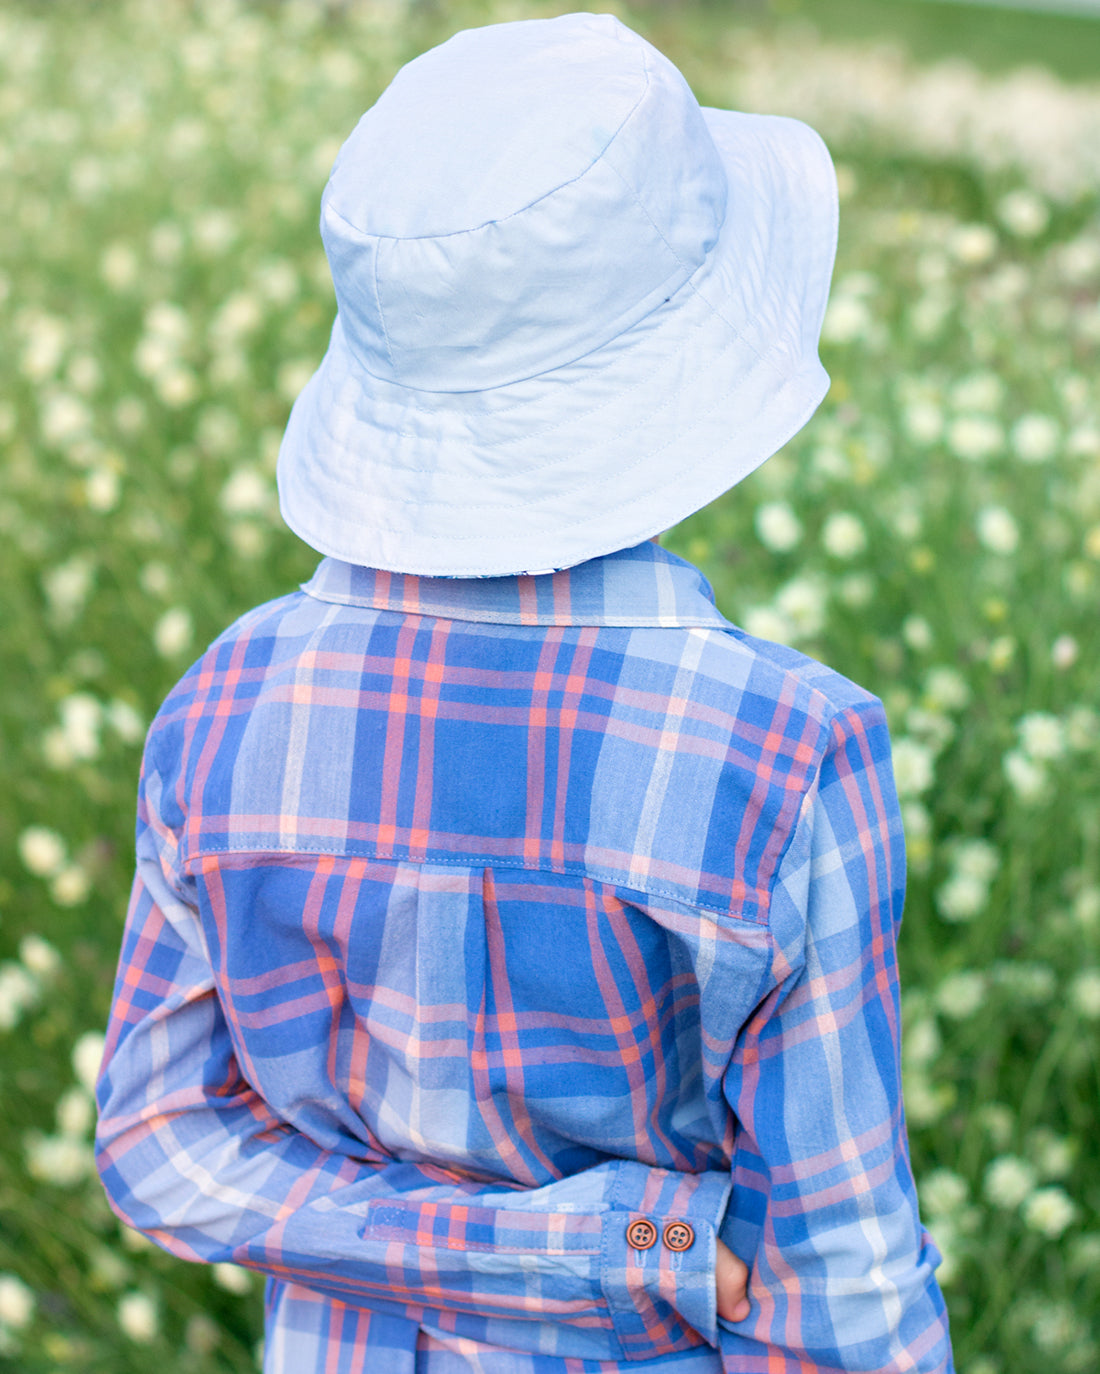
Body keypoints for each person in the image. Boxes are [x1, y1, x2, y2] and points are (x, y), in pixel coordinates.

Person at [94, 13, 953, 1373]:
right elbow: (839, 1281)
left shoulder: (224, 709)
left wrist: (476, 1246)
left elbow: (159, 1141)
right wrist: (624, 1246)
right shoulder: (786, 752)